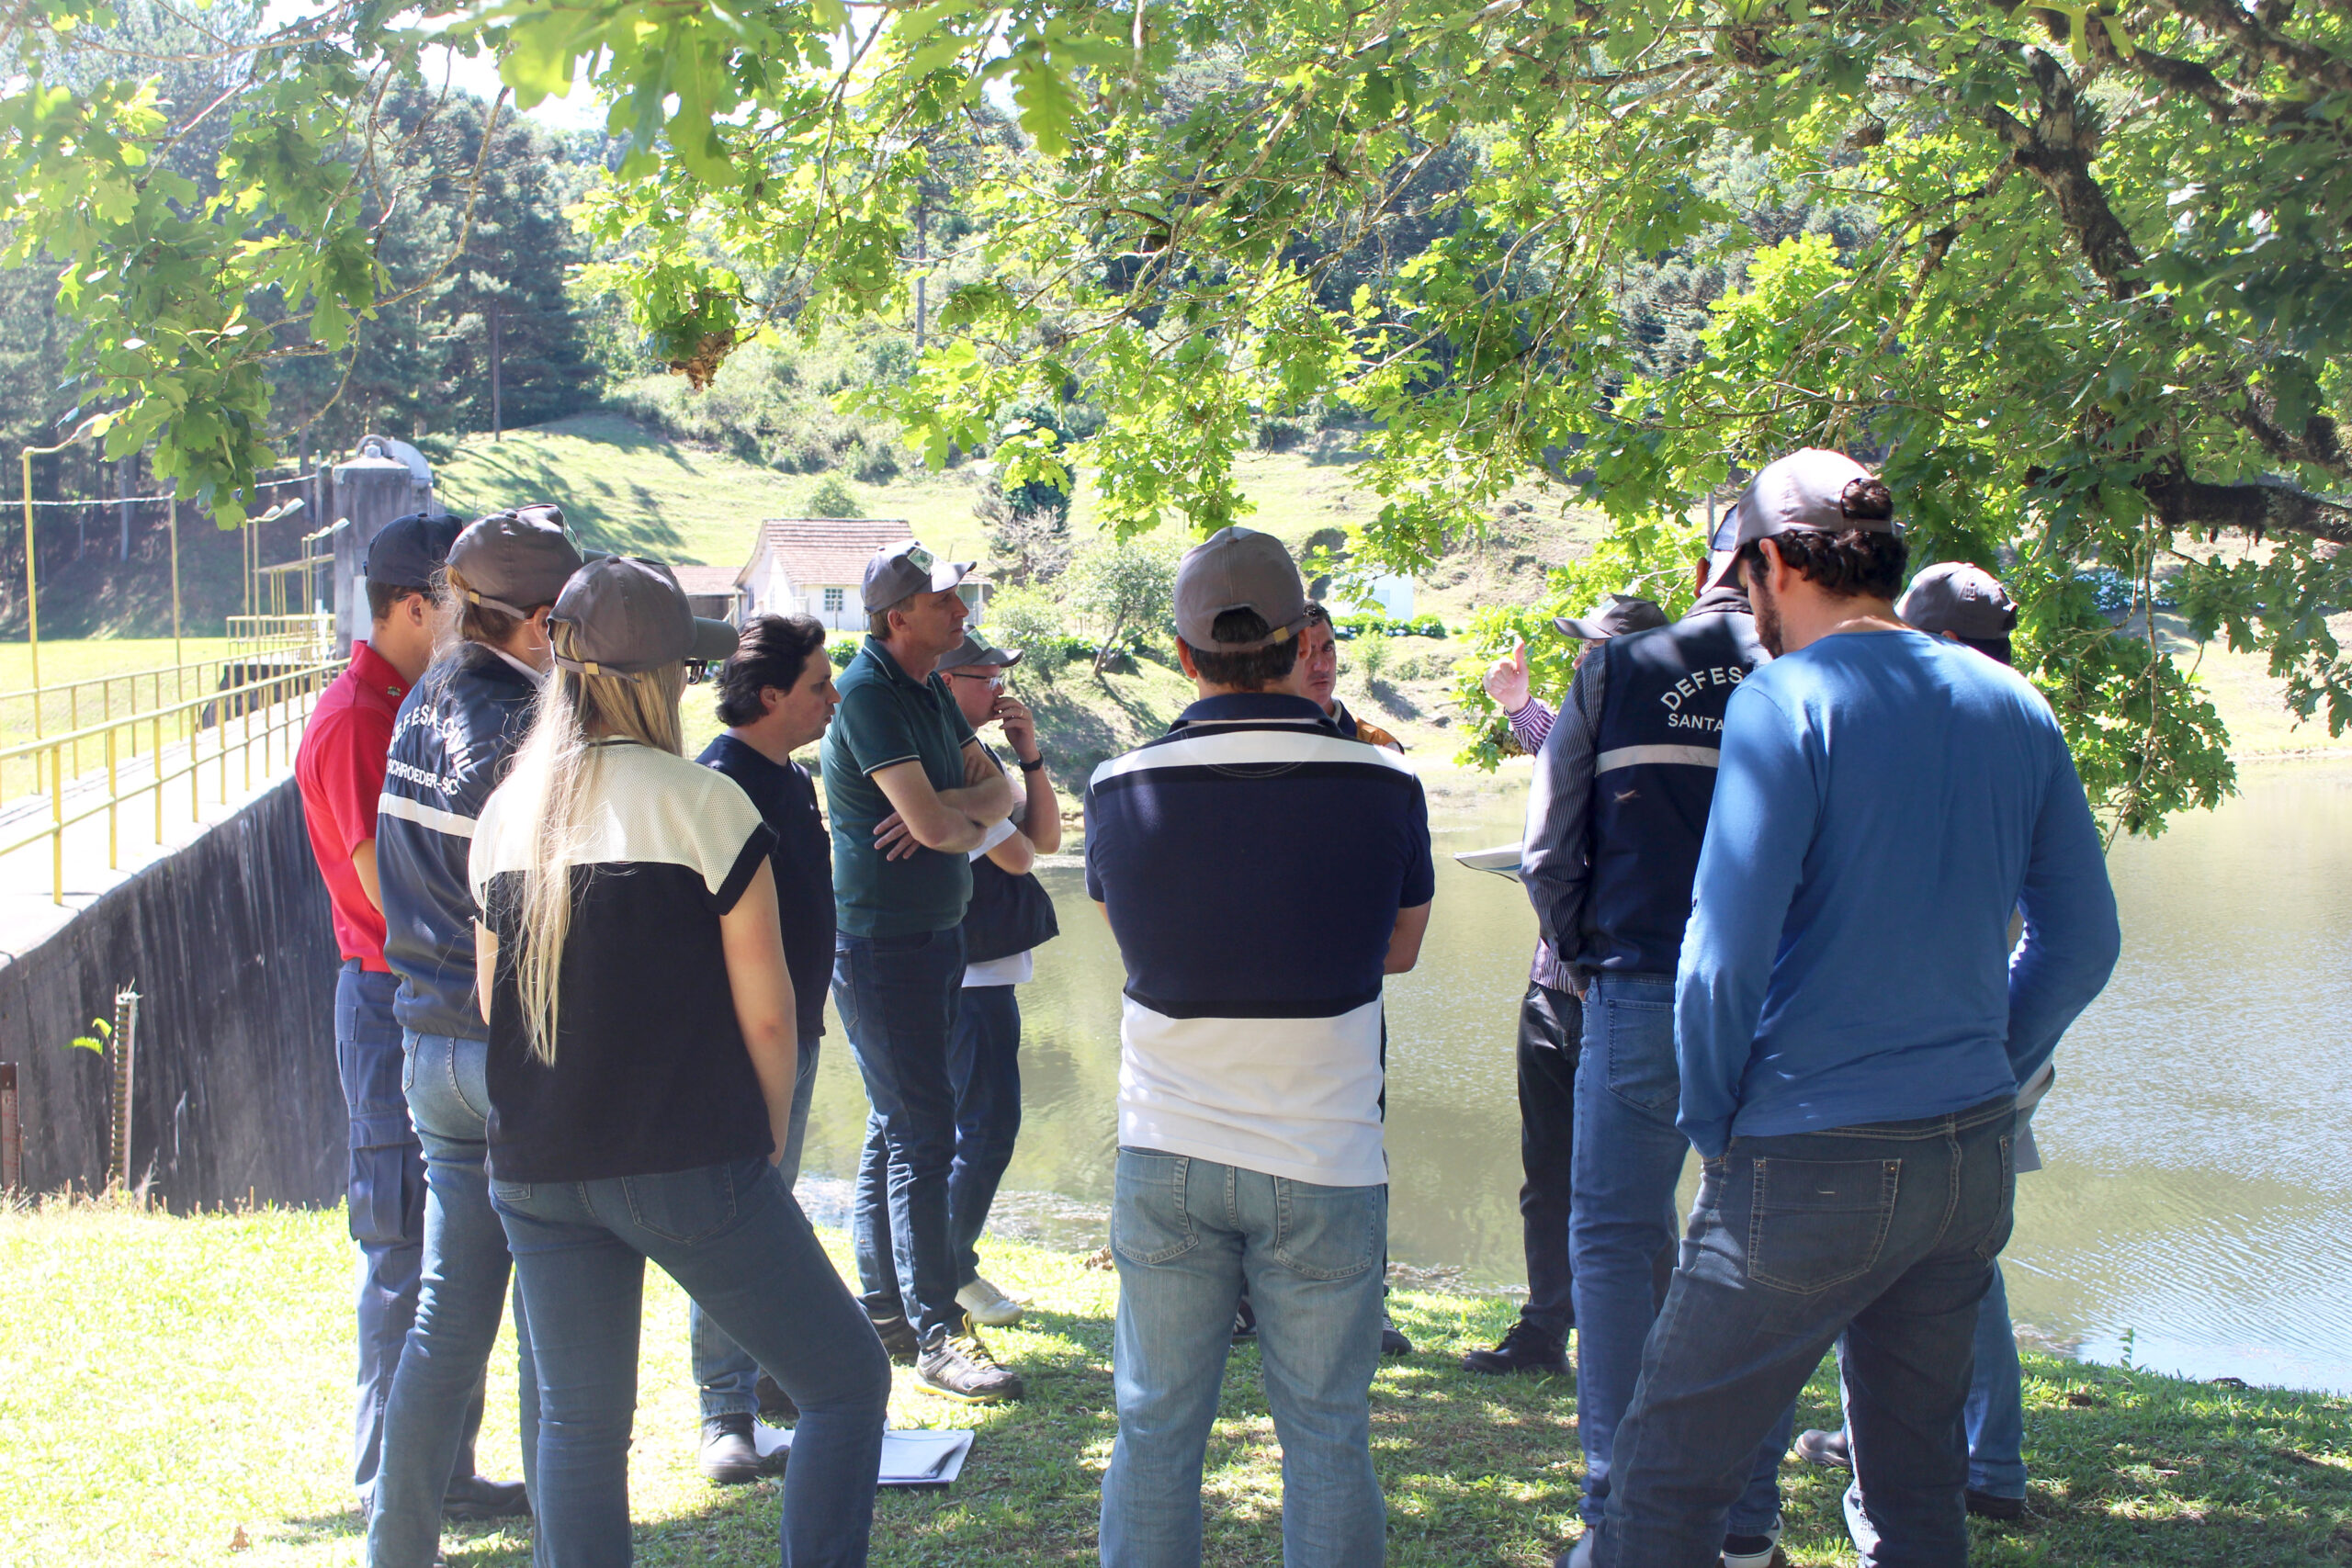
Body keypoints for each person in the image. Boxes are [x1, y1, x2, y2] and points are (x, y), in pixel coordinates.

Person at [1567, 451, 2120, 1568]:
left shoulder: (1786, 698)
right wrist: (1984, 1064)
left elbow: (1720, 957)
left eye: (1746, 575)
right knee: (1916, 1494)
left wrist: (1713, 1123)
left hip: (1807, 1152)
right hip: (1964, 1161)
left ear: (1772, 563)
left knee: (1661, 1489)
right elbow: (2084, 942)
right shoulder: (2012, 700)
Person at [469, 556, 891, 1566]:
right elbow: (770, 1019)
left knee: (577, 1427)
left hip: (536, 1165)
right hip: (688, 1160)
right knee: (846, 1382)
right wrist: (762, 1143)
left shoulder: (505, 814)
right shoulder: (704, 805)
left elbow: (494, 1009)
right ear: (667, 677)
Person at [1087, 525, 1434, 1568]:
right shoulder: (1384, 785)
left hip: (1167, 1149)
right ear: (1298, 642)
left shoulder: (1117, 784)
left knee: (1153, 1433)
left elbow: (1133, 942)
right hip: (1325, 1155)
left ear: (1183, 655)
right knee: (1327, 1437)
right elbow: (1400, 952)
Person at [1517, 570, 1788, 1566]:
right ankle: (1748, 1527)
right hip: (1776, 995)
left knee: (1618, 1243)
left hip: (1636, 979)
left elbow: (1549, 846)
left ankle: (1613, 1518)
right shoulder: (1809, 665)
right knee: (1766, 1252)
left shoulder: (1622, 667)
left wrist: (1580, 957)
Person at [1792, 558, 2038, 1523]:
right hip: (1983, 1048)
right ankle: (1980, 1465)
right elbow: (2065, 929)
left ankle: (1958, 1463)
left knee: (1854, 1251)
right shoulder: (2021, 726)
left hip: (1916, 1055)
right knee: (1957, 1257)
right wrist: (2006, 1046)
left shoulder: (1929, 728)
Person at [296, 510, 523, 1520]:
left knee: (458, 1240)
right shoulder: (356, 719)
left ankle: (446, 1470)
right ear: (414, 605)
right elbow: (386, 888)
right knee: (402, 1242)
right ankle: (394, 1480)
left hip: (434, 988)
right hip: (395, 994)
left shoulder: (421, 700)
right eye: (460, 607)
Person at [368, 505, 581, 1564]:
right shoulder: (520, 729)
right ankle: (562, 1541)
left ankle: (394, 1546)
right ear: (542, 624)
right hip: (504, 1045)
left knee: (446, 1323)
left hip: (425, 1037)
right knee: (551, 1315)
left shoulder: (425, 695)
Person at [824, 541, 1025, 1403]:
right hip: (882, 942)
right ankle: (938, 1332)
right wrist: (951, 807)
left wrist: (954, 803)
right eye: (944, 600)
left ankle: (886, 1312)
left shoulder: (924, 692)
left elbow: (1004, 795)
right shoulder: (870, 694)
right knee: (922, 1132)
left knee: (893, 1124)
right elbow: (946, 828)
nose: (962, 611)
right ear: (896, 615)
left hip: (934, 932)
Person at [1458, 592, 1665, 1382]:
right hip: (1552, 996)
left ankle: (1645, 1346)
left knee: (1633, 1187)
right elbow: (1557, 748)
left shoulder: (1675, 751)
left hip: (1630, 997)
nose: (1581, 661)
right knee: (1547, 1174)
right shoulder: (1589, 720)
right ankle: (1546, 1327)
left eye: (1594, 650)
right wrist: (1519, 705)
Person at [687, 612, 843, 1483]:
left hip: (799, 1028)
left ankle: (773, 1374)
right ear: (771, 694)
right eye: (818, 684)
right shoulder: (717, 787)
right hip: (749, 1041)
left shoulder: (788, 776)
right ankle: (725, 1414)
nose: (831, 697)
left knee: (773, 1207)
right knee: (741, 1218)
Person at [1287, 597, 1413, 1359]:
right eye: (1304, 648)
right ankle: (1249, 1298)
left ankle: (1370, 1301)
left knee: (1358, 1142)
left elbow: (1403, 893)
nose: (1321, 658)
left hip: (1349, 992)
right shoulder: (1239, 745)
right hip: (1252, 993)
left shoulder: (1378, 747)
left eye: (1329, 645)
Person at [939, 633, 1060, 1326]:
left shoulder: (979, 755)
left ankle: (941, 1263)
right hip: (967, 969)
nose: (999, 691)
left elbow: (1045, 838)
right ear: (947, 680)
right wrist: (995, 798)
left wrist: (1029, 756)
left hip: (989, 968)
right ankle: (951, 1268)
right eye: (985, 677)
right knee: (984, 1125)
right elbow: (1017, 858)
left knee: (974, 1123)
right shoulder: (938, 753)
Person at [1296, 601, 1403, 750]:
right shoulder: (1264, 739)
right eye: (1308, 652)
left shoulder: (1379, 747)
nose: (1322, 665)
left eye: (1327, 649)